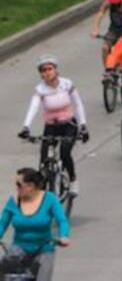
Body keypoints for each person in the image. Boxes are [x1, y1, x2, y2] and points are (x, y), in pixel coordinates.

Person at [20, 56, 88, 198]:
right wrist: (26, 127)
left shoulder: (67, 84)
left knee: (64, 152)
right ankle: (43, 191)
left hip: (69, 125)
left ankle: (73, 179)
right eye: (43, 70)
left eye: (49, 69)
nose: (47, 72)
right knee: (44, 158)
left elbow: (78, 104)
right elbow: (33, 107)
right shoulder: (40, 89)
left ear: (56, 70)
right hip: (51, 126)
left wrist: (83, 125)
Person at [0, 167, 70, 279]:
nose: (16, 188)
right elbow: (2, 223)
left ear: (31, 186)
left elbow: (62, 220)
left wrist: (64, 236)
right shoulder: (13, 201)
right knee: (4, 271)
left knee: (43, 276)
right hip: (19, 247)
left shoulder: (50, 199)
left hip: (44, 247)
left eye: (19, 185)